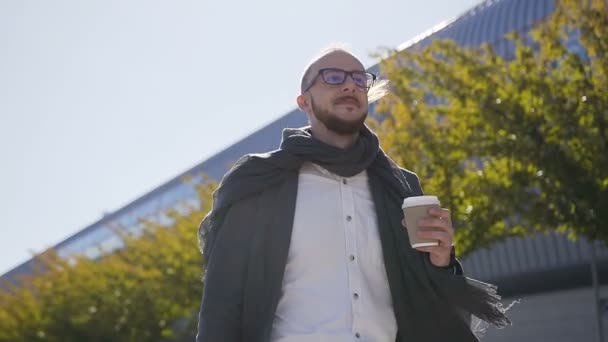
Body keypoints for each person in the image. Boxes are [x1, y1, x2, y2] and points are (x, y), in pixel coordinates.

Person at [196, 45, 511, 342]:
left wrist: (442, 261)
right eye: (333, 77)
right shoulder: (260, 182)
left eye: (359, 79)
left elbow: (429, 299)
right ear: (304, 102)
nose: (349, 85)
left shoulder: (401, 187)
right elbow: (223, 301)